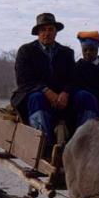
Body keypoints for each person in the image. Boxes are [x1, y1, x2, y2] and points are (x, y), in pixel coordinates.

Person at [10, 13, 76, 155]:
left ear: (55, 32)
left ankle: (79, 145)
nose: (47, 33)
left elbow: (73, 78)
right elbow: (23, 80)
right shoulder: (26, 51)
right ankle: (45, 148)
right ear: (38, 33)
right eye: (43, 30)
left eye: (50, 29)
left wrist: (65, 92)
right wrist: (45, 90)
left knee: (83, 97)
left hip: (60, 99)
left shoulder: (66, 52)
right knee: (37, 98)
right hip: (33, 95)